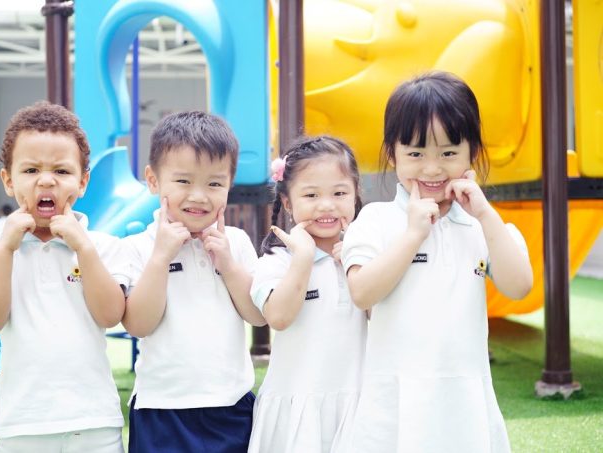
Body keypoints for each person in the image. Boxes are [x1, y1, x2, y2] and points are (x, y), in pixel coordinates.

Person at [341, 71, 533, 452]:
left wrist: (485, 215)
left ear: (472, 153)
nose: (431, 169)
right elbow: (362, 293)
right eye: (415, 154)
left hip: (465, 402)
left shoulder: (482, 225)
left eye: (448, 153)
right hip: (393, 403)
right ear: (391, 152)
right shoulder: (378, 220)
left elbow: (518, 285)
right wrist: (413, 234)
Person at [0, 101, 128, 452]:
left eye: (62, 171)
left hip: (94, 421)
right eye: (31, 170)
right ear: (8, 181)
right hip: (22, 423)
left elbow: (111, 315)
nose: (46, 180)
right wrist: (6, 248)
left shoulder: (103, 247)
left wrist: (82, 248)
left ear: (83, 182)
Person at [122, 111, 266, 453]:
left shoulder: (237, 242)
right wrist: (161, 258)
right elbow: (139, 324)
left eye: (214, 184)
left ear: (230, 184)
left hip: (231, 405)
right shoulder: (139, 248)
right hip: (161, 409)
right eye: (184, 181)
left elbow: (258, 316)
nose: (199, 196)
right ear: (153, 180)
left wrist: (228, 264)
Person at [248, 136, 368, 453]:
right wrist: (303, 258)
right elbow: (278, 317)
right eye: (311, 194)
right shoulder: (276, 261)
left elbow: (386, 317)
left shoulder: (370, 257)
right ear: (287, 202)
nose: (326, 205)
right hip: (297, 404)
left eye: (339, 193)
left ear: (355, 194)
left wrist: (355, 264)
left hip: (359, 402)